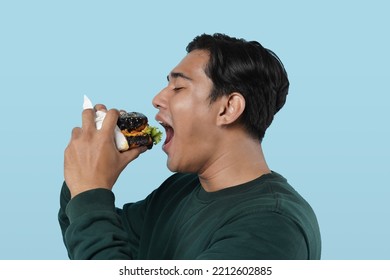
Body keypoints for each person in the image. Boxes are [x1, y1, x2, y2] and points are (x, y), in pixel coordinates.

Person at [59, 33, 321, 259]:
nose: (157, 99)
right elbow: (91, 240)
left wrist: (91, 190)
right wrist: (84, 176)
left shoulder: (272, 225)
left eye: (178, 87)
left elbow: (95, 235)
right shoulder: (180, 190)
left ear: (228, 108)